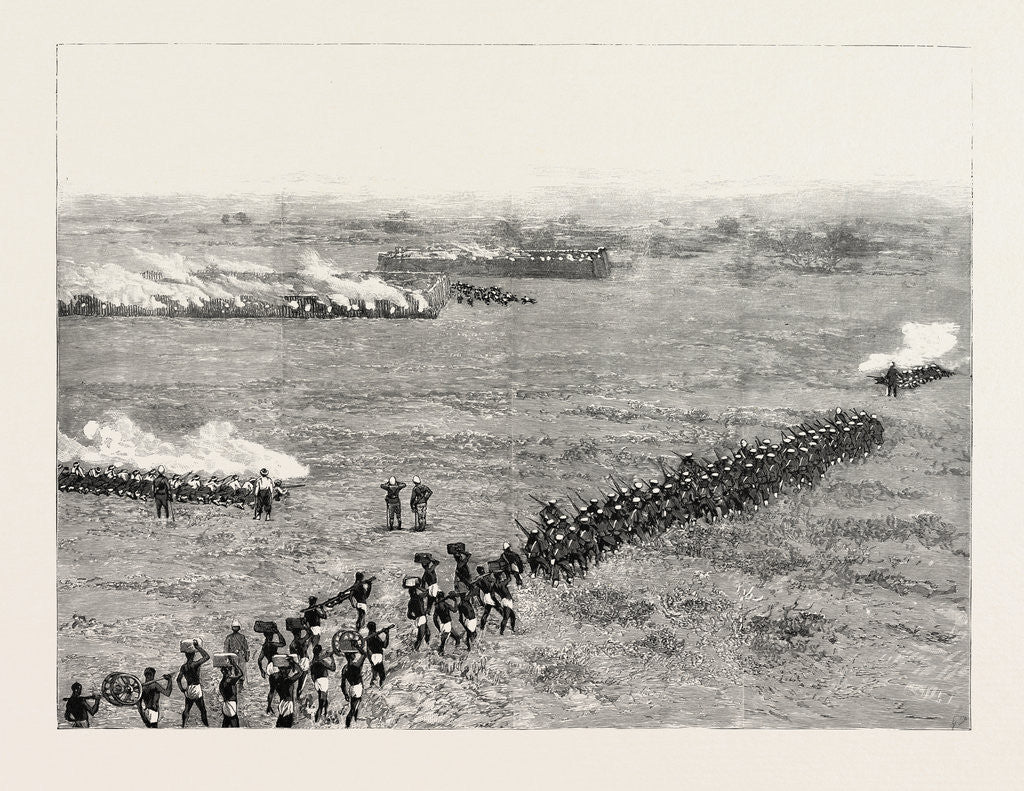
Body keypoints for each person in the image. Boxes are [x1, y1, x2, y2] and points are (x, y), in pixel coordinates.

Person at [176, 639, 211, 727]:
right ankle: (207, 726)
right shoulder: (195, 664)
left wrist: (182, 690)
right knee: (203, 710)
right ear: (194, 654)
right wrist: (198, 647)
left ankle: (183, 725)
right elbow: (207, 657)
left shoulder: (183, 667)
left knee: (187, 709)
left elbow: (178, 679)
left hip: (189, 689)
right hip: (196, 688)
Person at [257, 628, 286, 714]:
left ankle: (269, 707)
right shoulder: (272, 644)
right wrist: (278, 633)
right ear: (271, 635)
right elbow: (283, 643)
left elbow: (259, 659)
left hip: (269, 667)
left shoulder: (264, 646)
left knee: (272, 689)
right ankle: (281, 707)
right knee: (281, 687)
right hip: (275, 665)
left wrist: (261, 670)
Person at [309, 644, 337, 723]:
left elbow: (312, 675)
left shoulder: (312, 662)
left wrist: (315, 682)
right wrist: (332, 658)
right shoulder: (322, 661)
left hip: (316, 682)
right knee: (321, 704)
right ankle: (317, 720)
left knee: (323, 699)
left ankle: (325, 713)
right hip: (323, 680)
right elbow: (333, 669)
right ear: (320, 651)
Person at [273, 656, 302, 728]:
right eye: (287, 669)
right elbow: (300, 672)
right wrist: (293, 662)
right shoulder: (288, 681)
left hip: (282, 703)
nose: (288, 671)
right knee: (287, 724)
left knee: (281, 723)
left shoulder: (278, 680)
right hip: (288, 704)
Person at [340, 651, 367, 728]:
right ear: (353, 657)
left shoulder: (344, 669)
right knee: (353, 709)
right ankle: (347, 725)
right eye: (353, 655)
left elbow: (343, 684)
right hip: (357, 688)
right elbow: (364, 654)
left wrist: (345, 694)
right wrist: (357, 646)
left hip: (352, 688)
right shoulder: (357, 665)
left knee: (355, 706)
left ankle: (354, 722)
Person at [223, 620, 250, 692]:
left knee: (240, 670)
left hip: (238, 656)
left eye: (236, 627)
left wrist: (246, 656)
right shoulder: (230, 637)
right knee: (236, 671)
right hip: (233, 656)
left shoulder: (241, 637)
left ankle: (239, 687)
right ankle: (236, 687)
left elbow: (246, 648)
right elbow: (226, 648)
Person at [432, 589, 461, 655]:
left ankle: (442, 650)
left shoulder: (436, 607)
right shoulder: (445, 604)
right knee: (452, 638)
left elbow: (434, 619)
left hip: (442, 624)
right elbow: (455, 610)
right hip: (447, 624)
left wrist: (438, 628)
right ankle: (443, 651)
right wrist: (455, 601)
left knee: (455, 637)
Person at [218, 658, 244, 727]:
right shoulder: (229, 680)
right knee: (235, 725)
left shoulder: (222, 682)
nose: (231, 672)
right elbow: (240, 673)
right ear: (228, 671)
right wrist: (234, 664)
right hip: (231, 705)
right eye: (230, 670)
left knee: (225, 724)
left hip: (226, 705)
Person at [365, 622, 390, 687]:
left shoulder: (372, 636)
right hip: (376, 656)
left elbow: (368, 650)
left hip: (374, 657)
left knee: (375, 674)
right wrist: (387, 635)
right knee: (382, 675)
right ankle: (380, 688)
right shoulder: (373, 637)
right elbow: (384, 645)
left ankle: (373, 687)